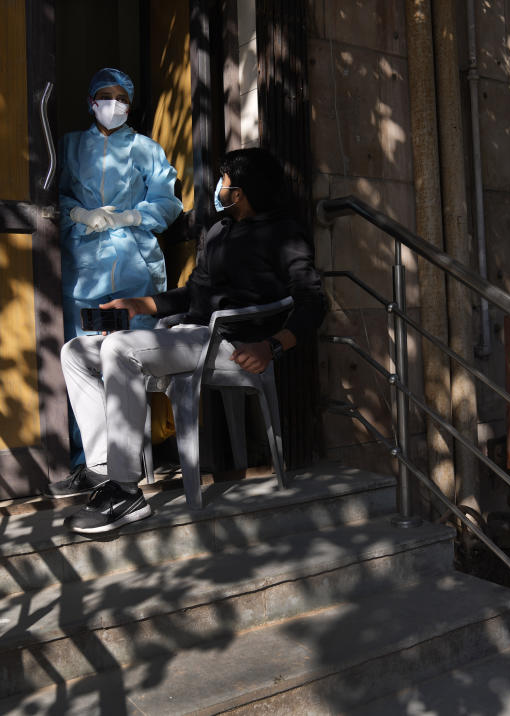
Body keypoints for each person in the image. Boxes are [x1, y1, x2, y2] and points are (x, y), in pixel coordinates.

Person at [47, 148, 327, 535]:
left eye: (224, 181)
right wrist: (138, 305)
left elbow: (313, 301)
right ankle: (103, 469)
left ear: (240, 191)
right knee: (76, 351)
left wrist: (274, 345)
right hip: (190, 336)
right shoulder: (218, 231)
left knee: (118, 349)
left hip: (234, 343)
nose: (218, 188)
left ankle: (127, 494)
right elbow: (193, 294)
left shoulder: (284, 234)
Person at [58, 67, 183, 469]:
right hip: (84, 274)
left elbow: (167, 201)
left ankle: (135, 461)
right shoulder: (70, 146)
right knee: (86, 364)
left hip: (135, 269)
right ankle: (91, 461)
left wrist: (128, 218)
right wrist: (78, 213)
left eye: (121, 99)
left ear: (130, 105)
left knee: (130, 365)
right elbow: (48, 198)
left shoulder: (147, 149)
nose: (113, 105)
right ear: (91, 102)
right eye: (105, 97)